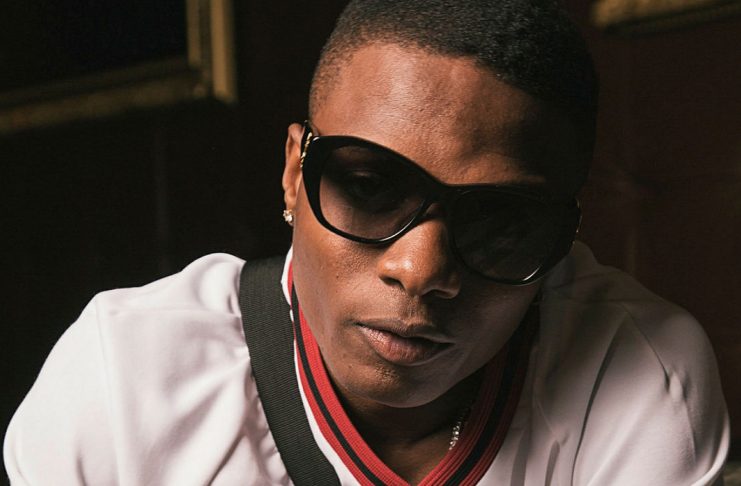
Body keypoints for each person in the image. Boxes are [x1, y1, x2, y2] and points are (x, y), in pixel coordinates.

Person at [4, 0, 729, 484]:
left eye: (499, 220)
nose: (421, 269)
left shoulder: (639, 369)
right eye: (371, 186)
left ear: (562, 238)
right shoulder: (126, 374)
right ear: (295, 173)